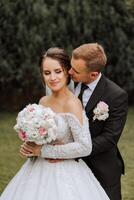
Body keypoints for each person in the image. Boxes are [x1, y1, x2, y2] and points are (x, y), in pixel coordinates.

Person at [0, 47, 110, 200]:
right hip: (36, 169)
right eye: (47, 73)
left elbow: (85, 146)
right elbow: (42, 137)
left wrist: (43, 151)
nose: (52, 78)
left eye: (57, 71)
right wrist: (30, 145)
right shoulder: (43, 102)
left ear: (66, 72)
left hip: (65, 173)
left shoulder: (73, 104)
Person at [68, 43, 128, 200]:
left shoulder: (116, 96)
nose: (69, 72)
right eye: (70, 66)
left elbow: (109, 138)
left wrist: (74, 150)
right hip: (69, 168)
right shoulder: (68, 84)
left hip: (102, 168)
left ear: (93, 74)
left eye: (75, 70)